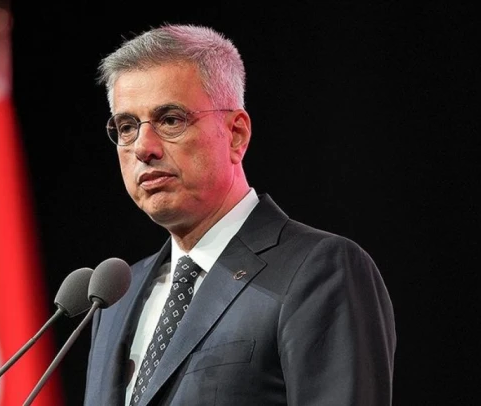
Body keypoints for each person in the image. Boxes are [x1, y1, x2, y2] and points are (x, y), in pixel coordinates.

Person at [83, 23, 396, 406]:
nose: (143, 148)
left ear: (236, 134)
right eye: (127, 127)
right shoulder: (115, 299)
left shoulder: (319, 270)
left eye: (170, 120)